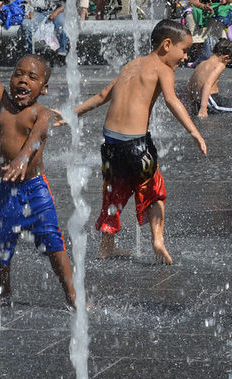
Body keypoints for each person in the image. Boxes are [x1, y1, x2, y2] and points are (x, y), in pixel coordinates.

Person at [67, 19, 207, 264]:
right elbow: (172, 101)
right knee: (155, 192)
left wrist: (70, 114)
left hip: (110, 144)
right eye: (184, 50)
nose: (185, 57)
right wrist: (194, 131)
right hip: (136, 144)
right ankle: (158, 240)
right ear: (166, 45)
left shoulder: (130, 66)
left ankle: (106, 247)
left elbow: (101, 97)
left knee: (113, 192)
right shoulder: (163, 69)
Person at [0, 0, 75, 309]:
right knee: (0, 245)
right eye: (19, 74)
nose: (23, 80)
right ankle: (4, 291)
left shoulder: (42, 112)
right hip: (5, 189)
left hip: (35, 189)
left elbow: (38, 136)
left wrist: (21, 159)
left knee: (54, 244)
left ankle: (73, 295)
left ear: (43, 88)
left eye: (32, 78)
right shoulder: (1, 102)